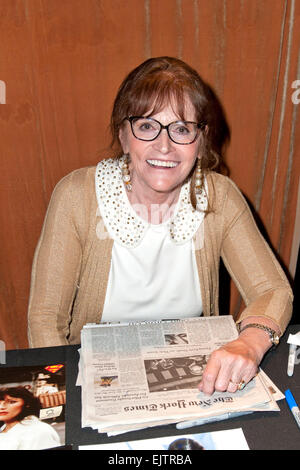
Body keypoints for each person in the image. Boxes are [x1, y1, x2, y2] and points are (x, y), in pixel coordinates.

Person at [27, 56, 293, 395]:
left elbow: (273, 290)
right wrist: (66, 392)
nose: (164, 146)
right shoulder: (76, 196)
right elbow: (46, 317)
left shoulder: (220, 197)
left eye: (181, 129)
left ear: (200, 141)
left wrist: (250, 343)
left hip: (195, 377)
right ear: (124, 135)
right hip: (93, 377)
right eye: (147, 126)